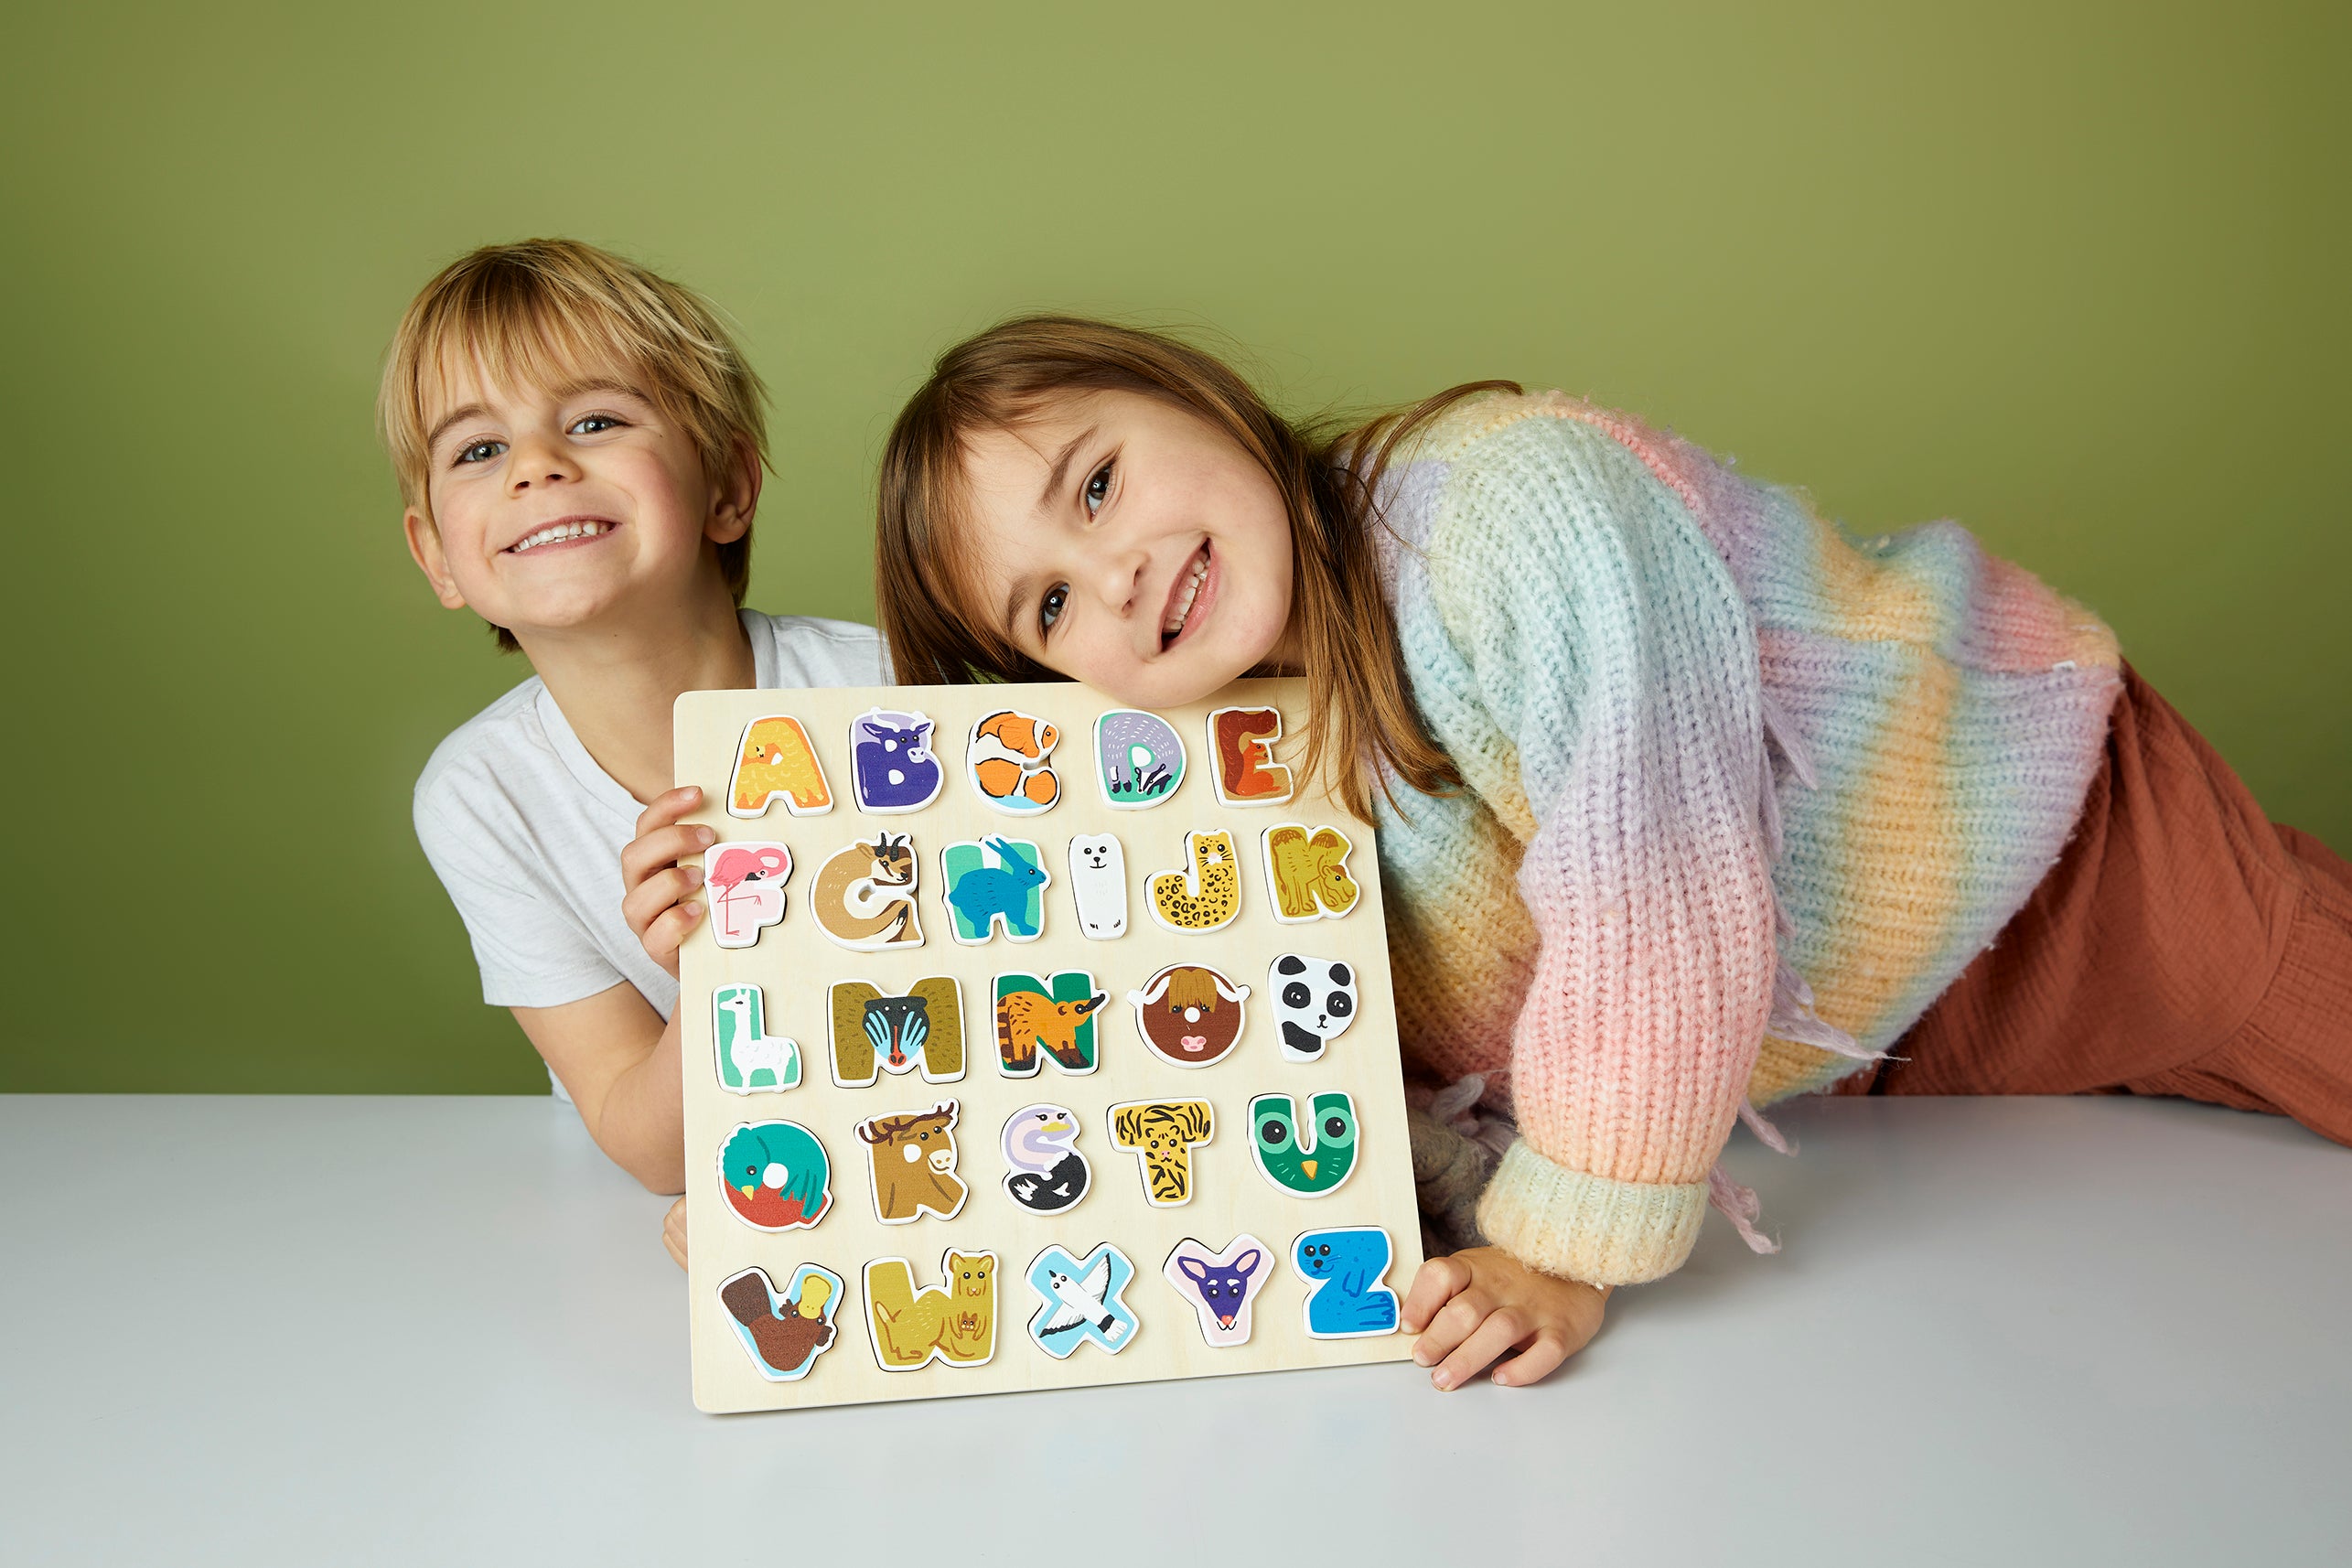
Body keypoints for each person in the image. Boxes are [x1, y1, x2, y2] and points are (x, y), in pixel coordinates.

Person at [862, 315, 2351, 1391]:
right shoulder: (1220, 770)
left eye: (1100, 481)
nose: (1112, 574)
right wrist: (848, 1203)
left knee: (2306, 1021)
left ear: (1193, 392)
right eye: (1047, 609)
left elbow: (1651, 885)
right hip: (1842, 1031)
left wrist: (1560, 1248)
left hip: (2057, 851)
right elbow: (1255, 1058)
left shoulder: (1506, 508)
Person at [385, 240, 886, 1261]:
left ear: (728, 489)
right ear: (438, 555)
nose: (537, 466)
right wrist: (722, 970)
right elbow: (650, 1147)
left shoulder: (895, 691)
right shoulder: (481, 799)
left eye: (595, 422)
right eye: (477, 451)